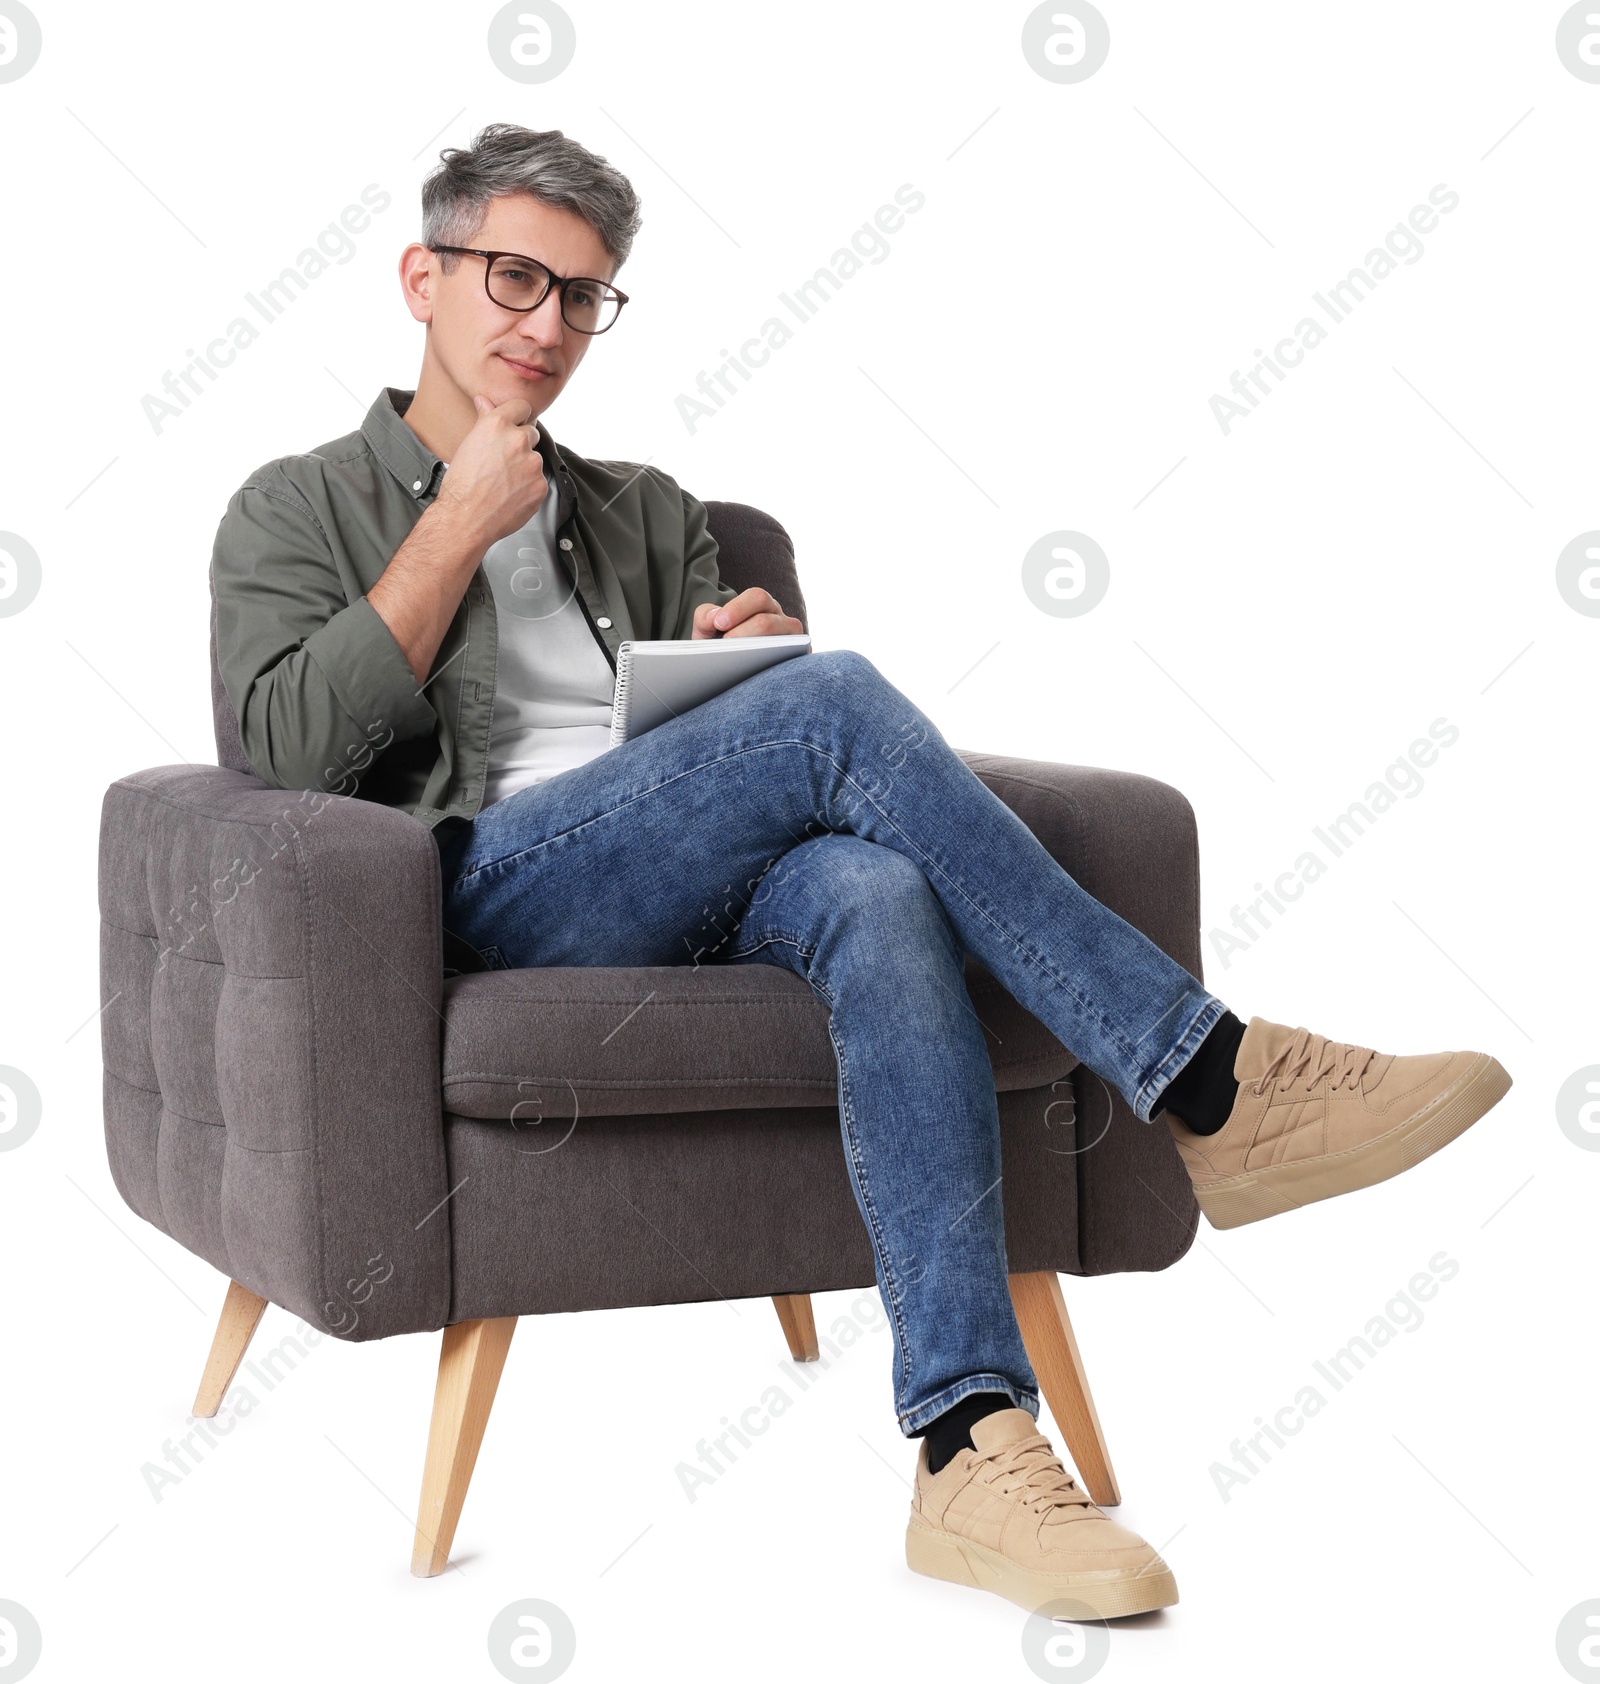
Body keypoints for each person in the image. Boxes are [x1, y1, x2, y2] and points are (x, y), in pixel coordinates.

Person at [212, 124, 1512, 1619]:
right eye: (516, 279)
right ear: (421, 279)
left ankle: (968, 1446)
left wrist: (725, 675)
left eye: (584, 297)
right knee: (831, 711)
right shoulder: (295, 507)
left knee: (874, 890)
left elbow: (709, 742)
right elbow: (296, 760)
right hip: (484, 896)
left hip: (690, 875)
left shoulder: (650, 510)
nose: (549, 326)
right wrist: (453, 530)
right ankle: (1212, 1083)